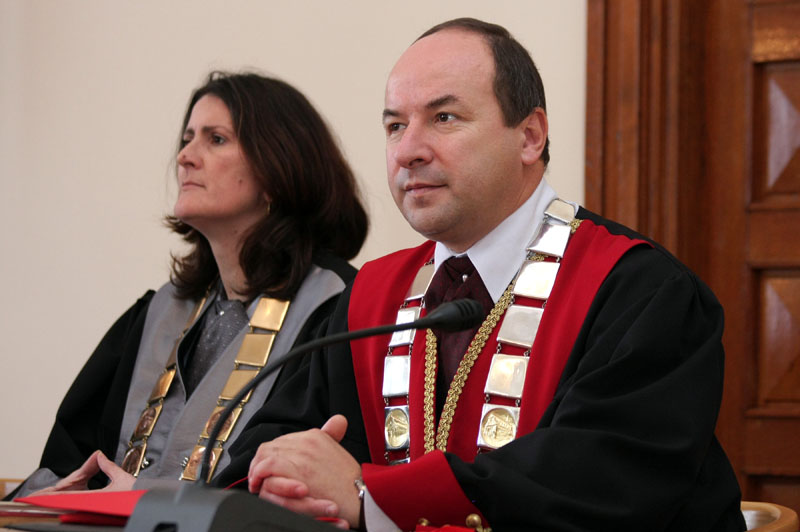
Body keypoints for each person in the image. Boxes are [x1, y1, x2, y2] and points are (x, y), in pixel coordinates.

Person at [231, 18, 746, 532]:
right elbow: (269, 451)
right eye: (394, 126)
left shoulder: (640, 291)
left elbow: (597, 485)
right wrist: (288, 485)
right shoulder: (371, 298)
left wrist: (371, 498)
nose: (409, 150)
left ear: (529, 136)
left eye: (445, 117)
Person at [8, 72, 368, 498]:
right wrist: (64, 493)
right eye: (187, 138)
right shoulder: (159, 313)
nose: (185, 157)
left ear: (278, 167)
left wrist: (145, 499)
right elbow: (73, 456)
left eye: (215, 139)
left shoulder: (337, 309)